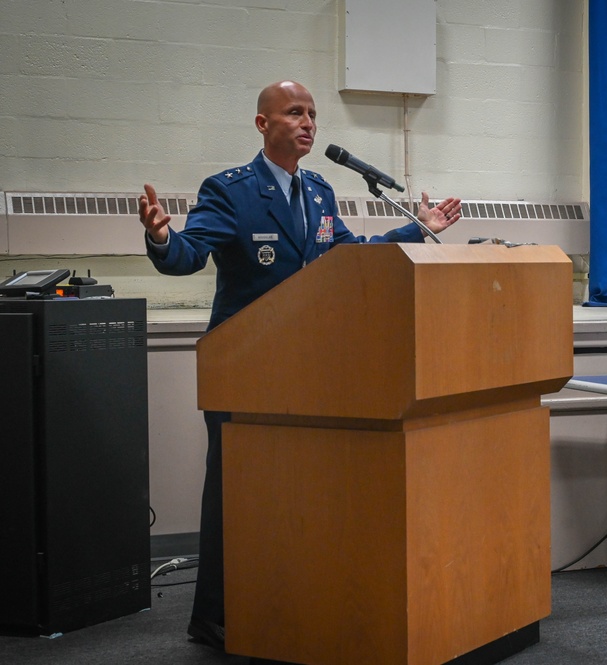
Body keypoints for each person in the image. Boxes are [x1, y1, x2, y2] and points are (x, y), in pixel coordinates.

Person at [138, 80, 462, 651]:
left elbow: (347, 256)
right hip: (244, 370)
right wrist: (163, 238)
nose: (309, 122)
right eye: (295, 112)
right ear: (263, 124)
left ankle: (288, 603)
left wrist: (420, 230)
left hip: (308, 372)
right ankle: (216, 616)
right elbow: (189, 255)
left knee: (299, 498)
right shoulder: (231, 191)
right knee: (233, 497)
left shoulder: (319, 192)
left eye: (313, 114)